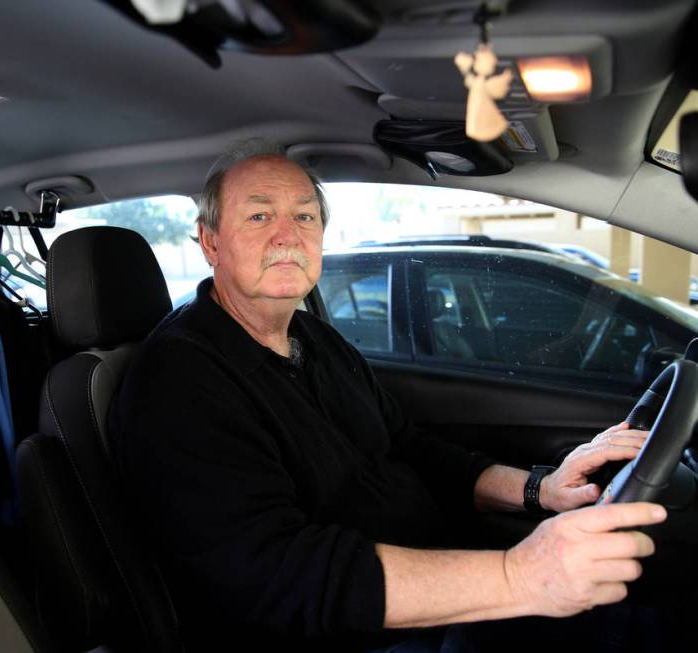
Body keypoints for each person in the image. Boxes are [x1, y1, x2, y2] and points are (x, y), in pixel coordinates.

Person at [110, 141, 666, 652]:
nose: (288, 235)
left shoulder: (313, 337)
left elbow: (409, 448)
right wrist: (518, 578)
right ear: (210, 241)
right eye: (259, 216)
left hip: (434, 591)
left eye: (304, 216)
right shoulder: (179, 381)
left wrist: (539, 489)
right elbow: (279, 576)